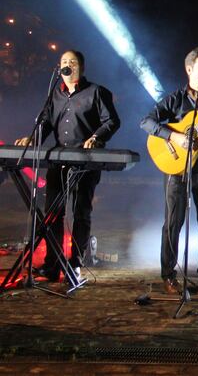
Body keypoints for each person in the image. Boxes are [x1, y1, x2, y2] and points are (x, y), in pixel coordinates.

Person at [14, 50, 120, 284]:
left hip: (86, 162)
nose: (67, 65)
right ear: (59, 67)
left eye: (72, 62)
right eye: (64, 62)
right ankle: (52, 265)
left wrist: (97, 137)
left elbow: (112, 121)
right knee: (53, 215)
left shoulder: (96, 92)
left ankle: (76, 265)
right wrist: (33, 140)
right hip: (58, 160)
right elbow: (46, 122)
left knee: (81, 213)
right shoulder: (56, 94)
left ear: (81, 67)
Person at [140, 46, 198, 295]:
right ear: (189, 69)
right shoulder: (174, 99)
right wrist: (174, 137)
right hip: (176, 169)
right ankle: (169, 275)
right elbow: (146, 122)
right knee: (173, 223)